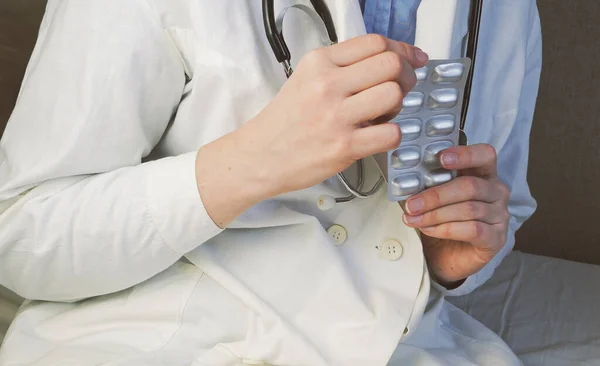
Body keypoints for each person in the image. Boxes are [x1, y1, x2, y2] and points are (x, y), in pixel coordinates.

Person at [0, 0, 541, 364]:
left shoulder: (506, 10)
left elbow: (505, 204)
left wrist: (451, 262)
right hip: (163, 337)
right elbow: (20, 234)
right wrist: (253, 160)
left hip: (403, 342)